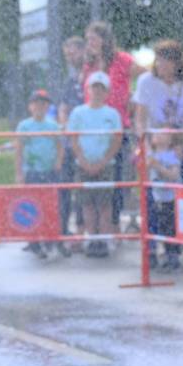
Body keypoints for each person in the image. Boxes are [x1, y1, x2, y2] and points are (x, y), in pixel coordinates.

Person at [83, 21, 147, 231]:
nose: (89, 43)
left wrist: (134, 99)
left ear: (104, 39)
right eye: (88, 39)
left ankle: (114, 220)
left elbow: (146, 77)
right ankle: (96, 225)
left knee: (118, 175)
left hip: (118, 125)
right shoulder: (89, 64)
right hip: (93, 128)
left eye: (93, 38)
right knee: (94, 175)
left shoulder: (122, 60)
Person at [67, 71, 122, 258]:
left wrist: (104, 160)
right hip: (83, 164)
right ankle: (92, 238)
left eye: (101, 88)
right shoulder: (78, 112)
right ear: (88, 89)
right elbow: (73, 138)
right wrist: (83, 160)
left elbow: (116, 139)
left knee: (105, 204)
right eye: (94, 87)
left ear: (107, 92)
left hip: (106, 164)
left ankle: (104, 239)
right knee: (87, 204)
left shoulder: (112, 114)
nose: (97, 92)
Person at [16, 89, 65, 259]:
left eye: (44, 103)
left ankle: (51, 239)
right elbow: (19, 150)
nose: (40, 106)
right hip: (32, 171)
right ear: (30, 106)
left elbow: (59, 146)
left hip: (49, 171)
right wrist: (19, 173)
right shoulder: (24, 126)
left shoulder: (53, 125)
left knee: (51, 206)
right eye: (36, 103)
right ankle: (34, 241)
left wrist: (59, 162)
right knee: (32, 206)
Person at [58, 35, 87, 244]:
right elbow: (63, 106)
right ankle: (62, 228)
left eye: (73, 52)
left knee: (85, 187)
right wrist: (65, 126)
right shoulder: (70, 81)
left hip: (89, 142)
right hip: (71, 143)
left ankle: (82, 228)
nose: (69, 56)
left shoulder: (92, 76)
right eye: (66, 53)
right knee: (65, 186)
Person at [146, 131, 182, 270]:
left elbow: (174, 175)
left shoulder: (172, 155)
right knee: (160, 226)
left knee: (170, 227)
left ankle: (173, 256)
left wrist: (158, 167)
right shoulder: (151, 156)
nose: (159, 135)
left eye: (164, 133)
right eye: (156, 133)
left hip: (171, 199)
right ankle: (161, 254)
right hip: (157, 198)